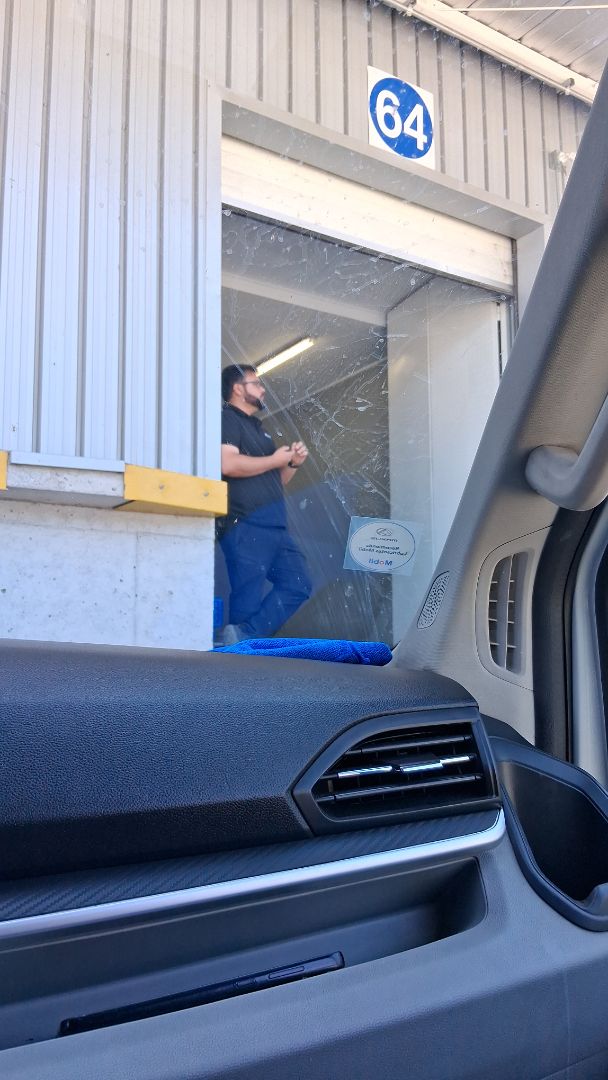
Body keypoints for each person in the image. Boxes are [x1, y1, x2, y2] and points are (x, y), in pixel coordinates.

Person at [218, 364, 312, 643]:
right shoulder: (227, 418)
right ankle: (239, 653)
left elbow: (275, 481)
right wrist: (275, 459)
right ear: (238, 388)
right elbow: (227, 464)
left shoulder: (259, 429)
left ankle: (246, 636)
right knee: (247, 598)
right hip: (246, 523)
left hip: (274, 526)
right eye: (256, 383)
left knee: (298, 584)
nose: (262, 389)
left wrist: (292, 463)